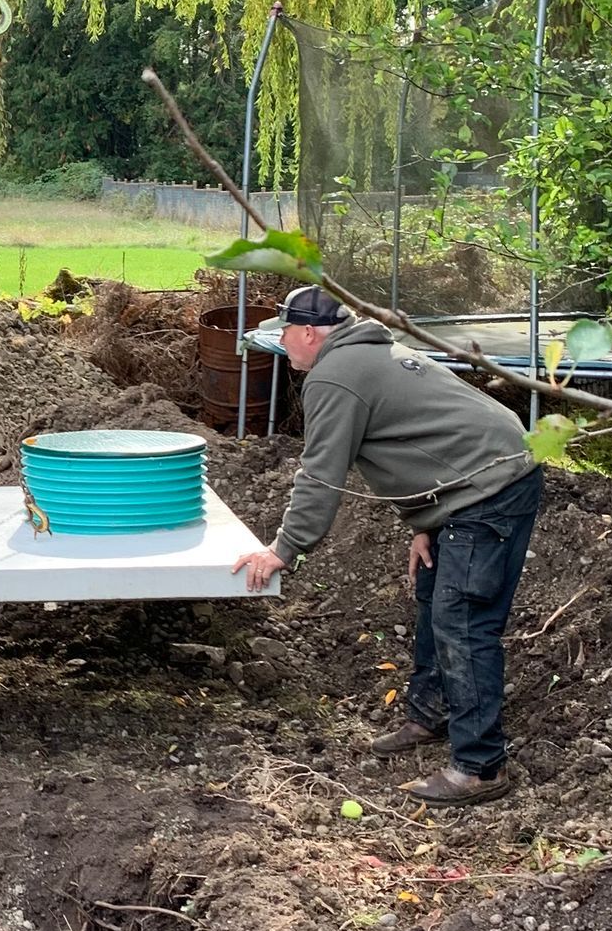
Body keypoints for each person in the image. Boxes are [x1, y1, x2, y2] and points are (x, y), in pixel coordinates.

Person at [232, 283, 543, 805]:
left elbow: (321, 475)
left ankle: (480, 766)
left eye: (284, 332)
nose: (282, 343)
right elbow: (416, 436)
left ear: (309, 332)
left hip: (490, 486)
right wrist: (424, 521)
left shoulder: (335, 376)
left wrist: (284, 549)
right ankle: (432, 714)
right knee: (433, 595)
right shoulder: (368, 350)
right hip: (475, 474)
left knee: (463, 619)